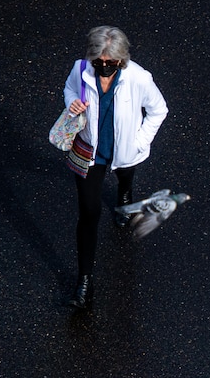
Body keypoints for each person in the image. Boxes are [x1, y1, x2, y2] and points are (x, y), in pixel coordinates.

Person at [62, 25, 168, 309]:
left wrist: (138, 142)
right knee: (89, 212)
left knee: (124, 173)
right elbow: (70, 89)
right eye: (99, 63)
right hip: (89, 151)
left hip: (123, 151)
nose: (105, 67)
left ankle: (125, 190)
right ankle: (85, 282)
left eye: (112, 63)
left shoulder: (139, 78)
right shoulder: (80, 69)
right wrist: (73, 103)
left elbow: (159, 109)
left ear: (123, 60)